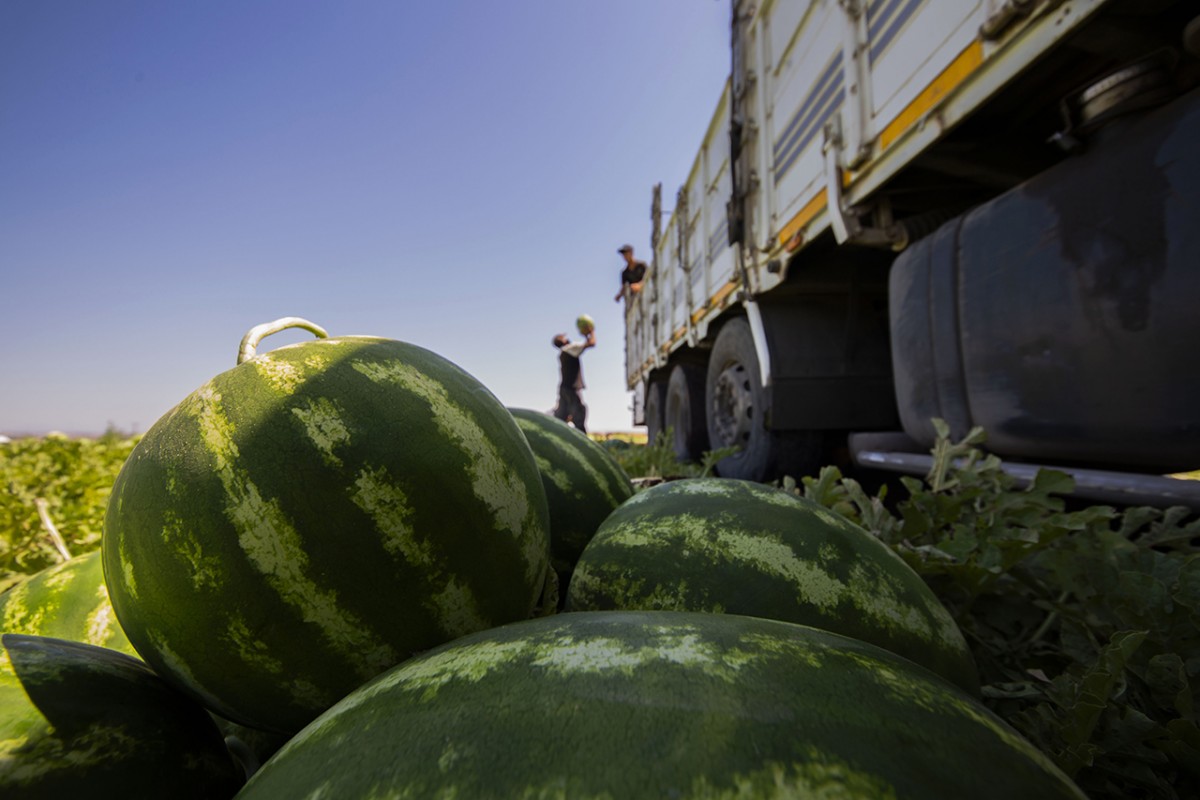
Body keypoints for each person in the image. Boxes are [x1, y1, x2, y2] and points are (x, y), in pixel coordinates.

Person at [552, 322, 596, 433]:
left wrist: (586, 335)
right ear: (562, 341)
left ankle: (556, 438)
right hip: (571, 389)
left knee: (560, 417)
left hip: (563, 388)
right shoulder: (570, 348)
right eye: (564, 337)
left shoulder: (563, 352)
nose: (567, 338)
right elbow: (591, 343)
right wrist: (591, 332)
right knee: (578, 417)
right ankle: (583, 443)